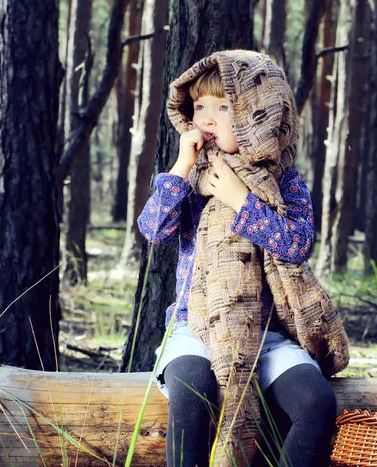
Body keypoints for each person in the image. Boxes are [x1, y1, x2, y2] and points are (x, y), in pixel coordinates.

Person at [138, 50, 349, 467]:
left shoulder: (285, 182)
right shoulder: (193, 179)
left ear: (261, 115)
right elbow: (153, 228)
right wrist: (182, 165)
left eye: (225, 107)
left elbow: (296, 245)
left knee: (316, 402)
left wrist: (240, 199)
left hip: (266, 334)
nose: (208, 119)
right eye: (200, 107)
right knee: (194, 392)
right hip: (193, 327)